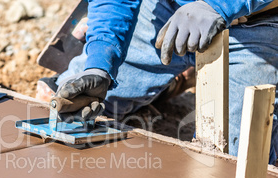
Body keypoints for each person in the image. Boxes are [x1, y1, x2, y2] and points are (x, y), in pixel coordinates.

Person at [40, 0, 278, 164]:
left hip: (257, 23)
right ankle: (174, 81)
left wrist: (219, 5)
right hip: (169, 14)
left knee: (232, 164)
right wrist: (100, 62)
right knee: (74, 107)